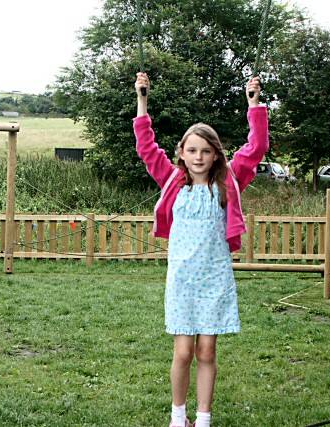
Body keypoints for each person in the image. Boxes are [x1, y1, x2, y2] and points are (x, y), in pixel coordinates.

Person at [133, 72, 268, 427]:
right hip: (181, 281)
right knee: (183, 352)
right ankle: (179, 417)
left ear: (216, 154)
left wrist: (253, 105)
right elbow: (146, 146)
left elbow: (256, 148)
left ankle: (203, 419)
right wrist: (142, 100)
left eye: (206, 151)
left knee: (207, 351)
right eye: (192, 150)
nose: (198, 156)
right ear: (181, 152)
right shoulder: (171, 179)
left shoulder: (229, 181)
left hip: (214, 279)